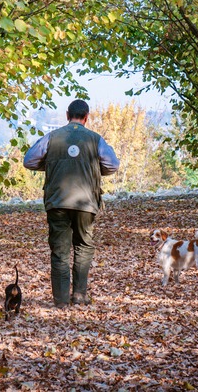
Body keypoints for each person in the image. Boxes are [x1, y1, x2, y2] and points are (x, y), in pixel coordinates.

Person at [23, 100, 120, 308]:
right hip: (86, 201)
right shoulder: (95, 139)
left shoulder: (52, 137)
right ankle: (79, 295)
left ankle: (61, 301)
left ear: (67, 115)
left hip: (57, 200)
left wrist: (54, 163)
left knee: (60, 250)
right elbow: (112, 165)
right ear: (87, 117)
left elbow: (29, 161)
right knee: (84, 246)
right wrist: (91, 166)